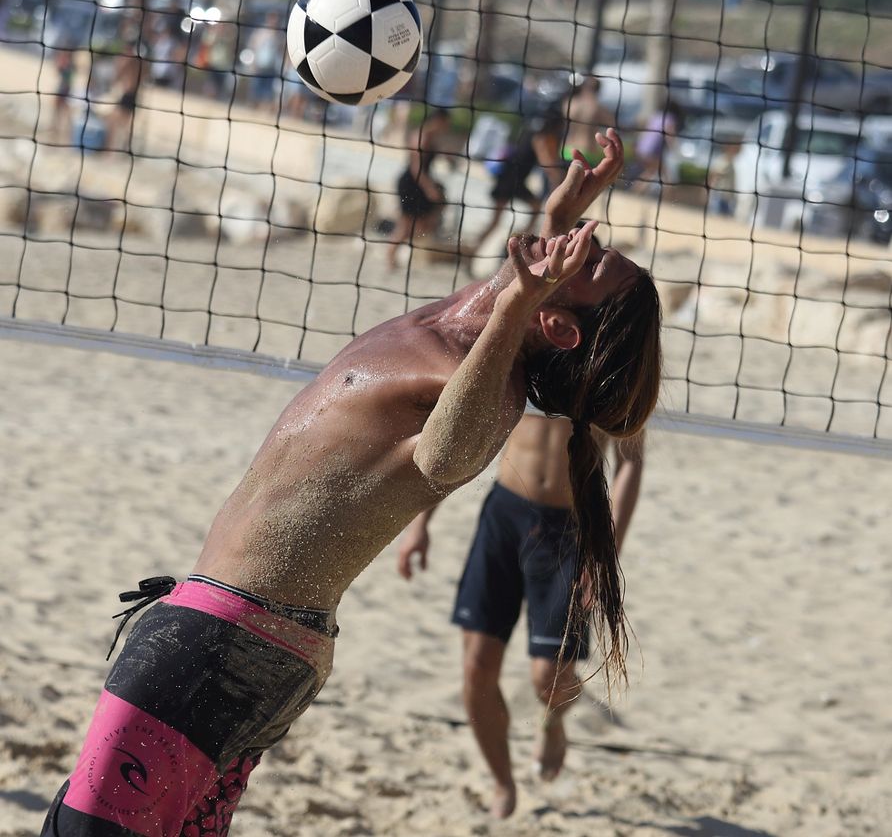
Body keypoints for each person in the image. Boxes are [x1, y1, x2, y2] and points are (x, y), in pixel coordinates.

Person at [41, 130, 663, 837]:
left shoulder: (492, 389)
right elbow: (500, 298)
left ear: (555, 323)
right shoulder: (462, 325)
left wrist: (521, 300)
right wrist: (553, 223)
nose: (584, 240)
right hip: (248, 635)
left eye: (592, 260)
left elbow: (444, 459)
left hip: (230, 640)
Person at [396, 243, 646, 819]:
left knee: (549, 678)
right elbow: (455, 437)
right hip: (504, 516)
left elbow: (631, 466)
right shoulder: (528, 346)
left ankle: (554, 724)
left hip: (571, 531)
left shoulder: (610, 366)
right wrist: (420, 524)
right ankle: (502, 781)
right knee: (475, 668)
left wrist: (605, 555)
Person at [469, 111, 566, 258]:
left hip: (512, 179)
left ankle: (510, 244)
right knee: (497, 221)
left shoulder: (530, 131)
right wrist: (559, 179)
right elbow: (547, 163)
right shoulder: (539, 138)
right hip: (510, 180)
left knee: (531, 209)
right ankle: (507, 245)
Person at [387, 107, 452, 268]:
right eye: (446, 123)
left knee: (422, 223)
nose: (447, 126)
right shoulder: (421, 136)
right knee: (405, 225)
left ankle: (397, 254)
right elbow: (416, 168)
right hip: (412, 183)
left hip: (421, 182)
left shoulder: (432, 136)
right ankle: (390, 257)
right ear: (438, 120)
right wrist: (429, 189)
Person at [562, 76, 614, 166]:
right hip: (587, 153)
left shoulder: (569, 103)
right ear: (598, 90)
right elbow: (612, 124)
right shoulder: (598, 108)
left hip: (566, 150)